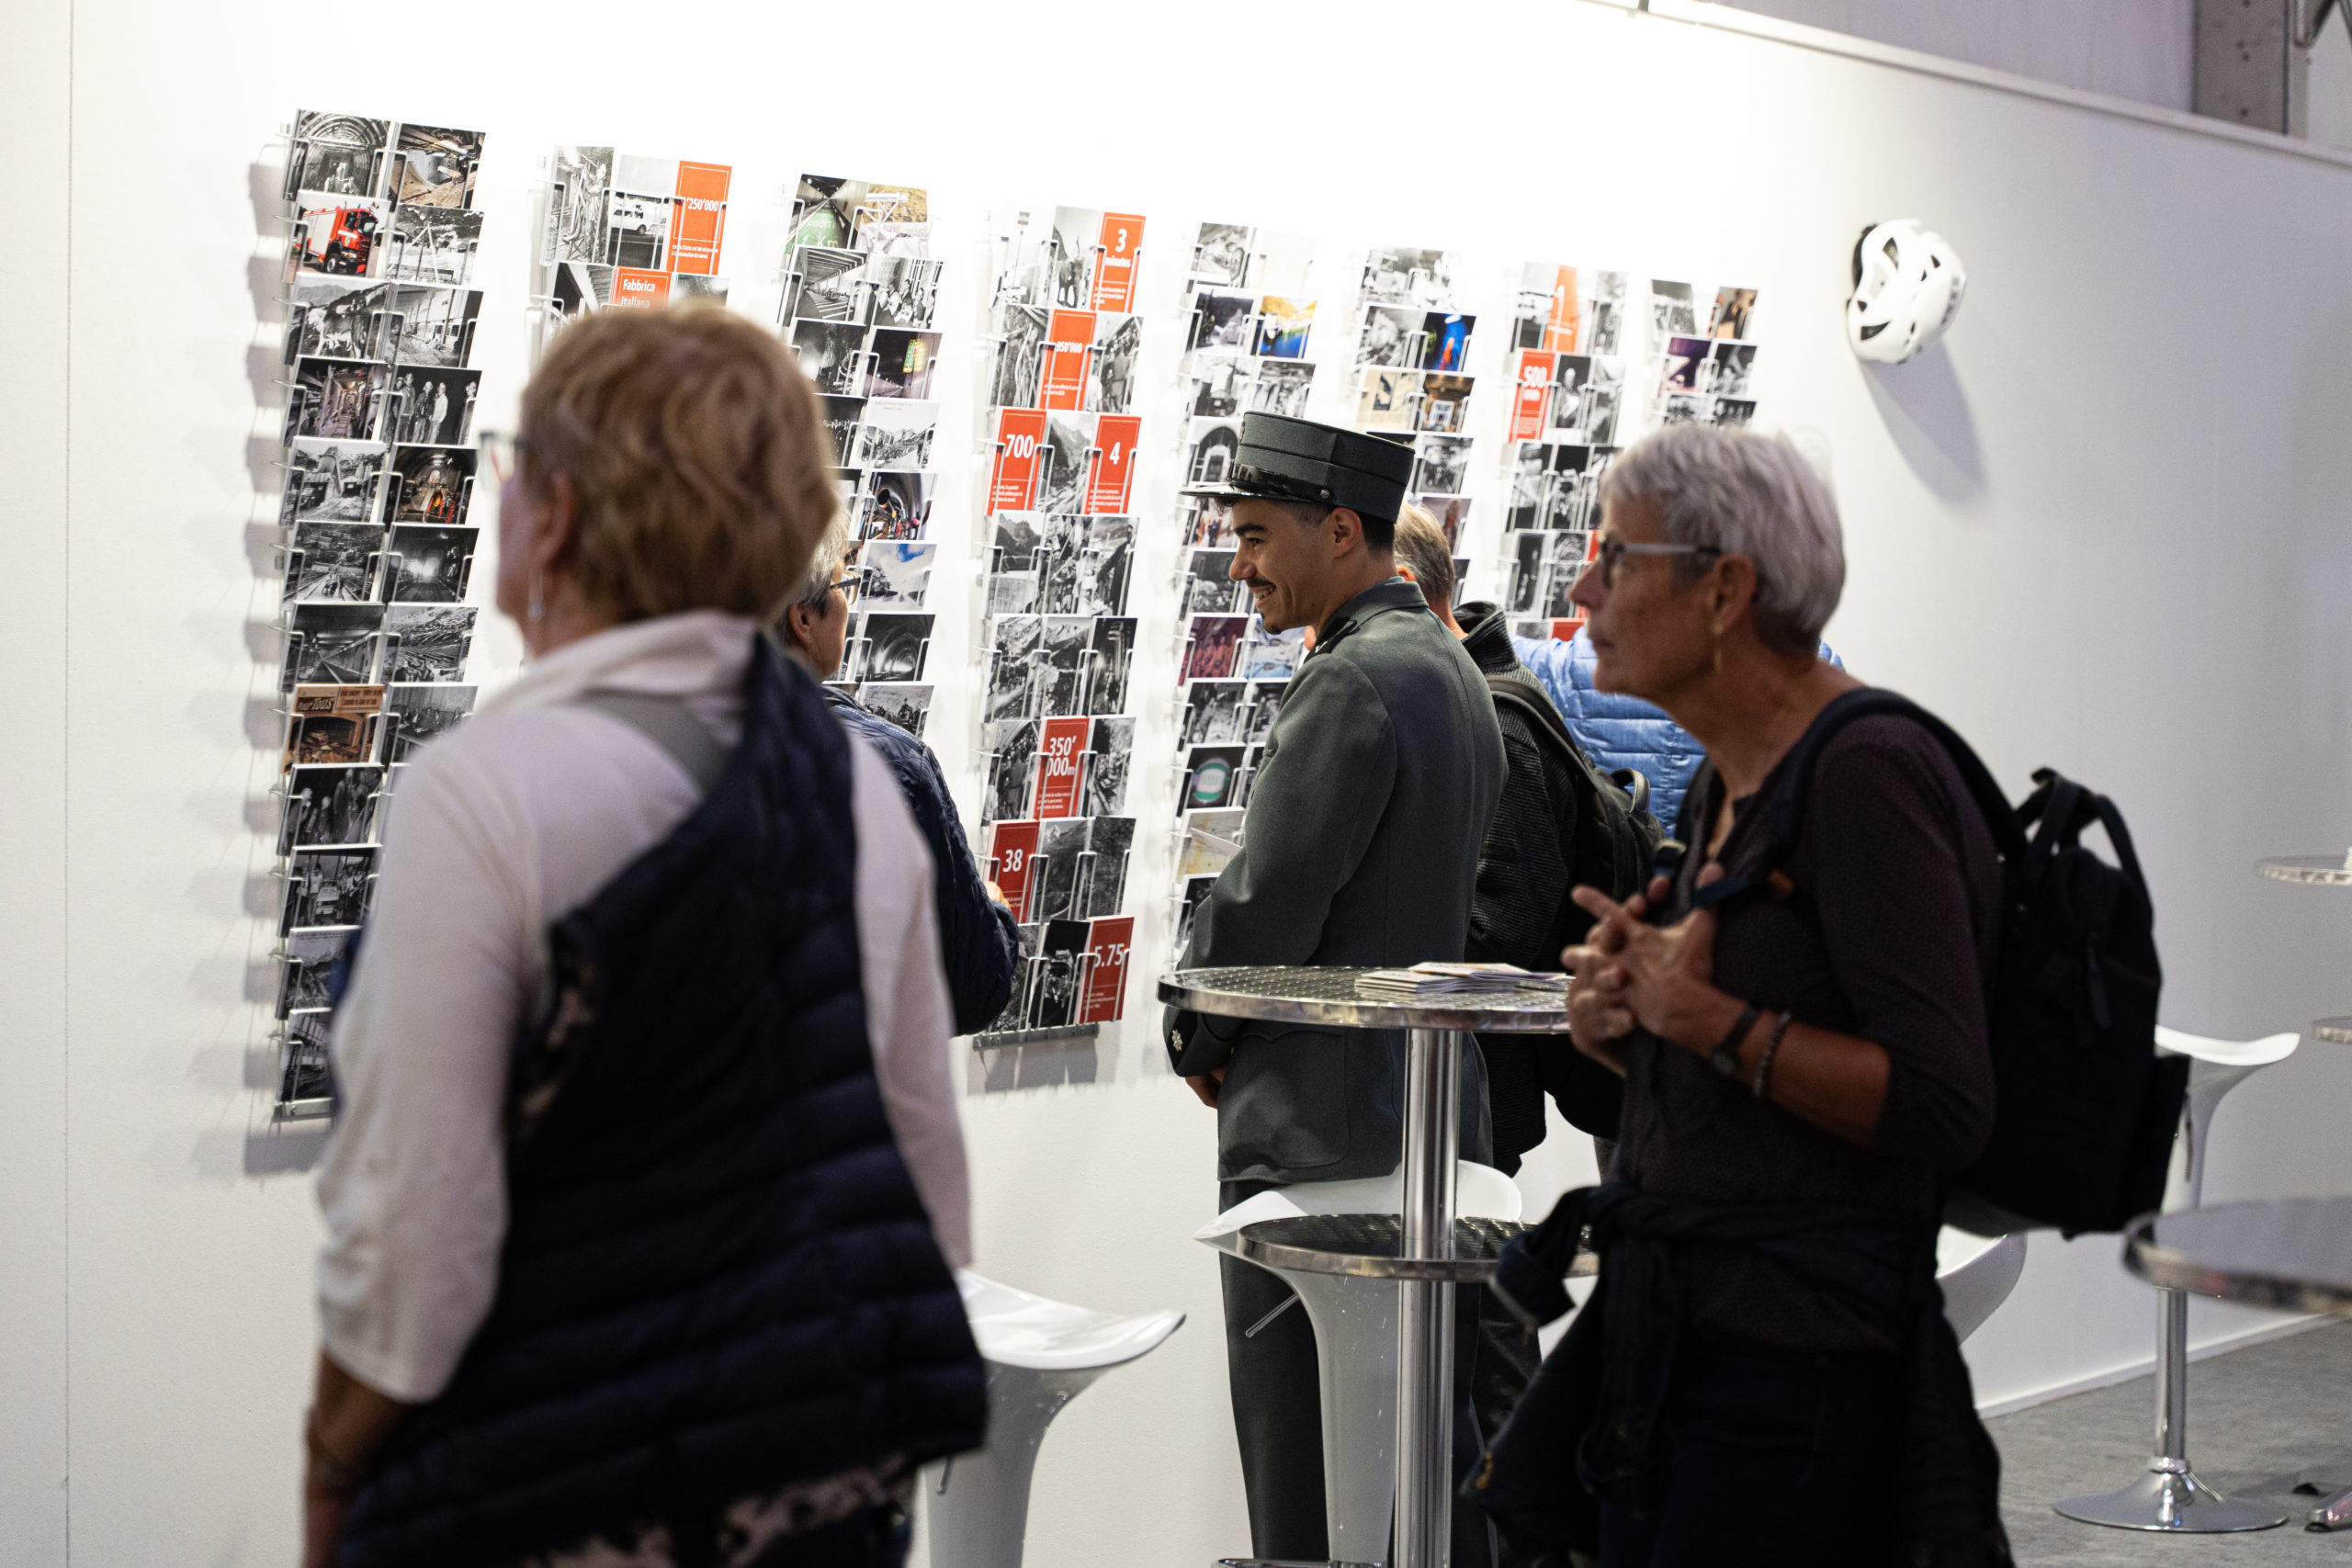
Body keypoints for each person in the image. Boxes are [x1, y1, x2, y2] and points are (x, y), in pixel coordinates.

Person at [301, 307, 983, 1568]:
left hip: (558, 1499)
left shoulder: (485, 793)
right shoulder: (845, 781)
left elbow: (417, 1245)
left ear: (557, 514)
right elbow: (923, 1191)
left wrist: (333, 1461)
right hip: (815, 1501)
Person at [1478, 423, 2008, 1566]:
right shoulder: (1729, 780)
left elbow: (1944, 1102)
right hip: (1681, 1342)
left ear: (1723, 591)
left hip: (1800, 1367)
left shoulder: (1868, 775)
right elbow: (1745, 1070)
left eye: (1615, 557)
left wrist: (1705, 1019)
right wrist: (1627, 1027)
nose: (1580, 590)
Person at [1163, 412, 1504, 1565]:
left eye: (1257, 535)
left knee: (1306, 1468)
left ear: (1342, 531)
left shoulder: (1352, 680)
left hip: (1319, 1133)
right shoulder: (1450, 669)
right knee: (1421, 1472)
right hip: (1425, 1125)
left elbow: (1267, 904)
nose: (1240, 565)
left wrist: (1195, 1033)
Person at [771, 520, 1023, 1037]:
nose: (849, 604)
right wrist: (995, 913)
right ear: (803, 619)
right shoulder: (893, 766)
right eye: (843, 585)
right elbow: (972, 988)